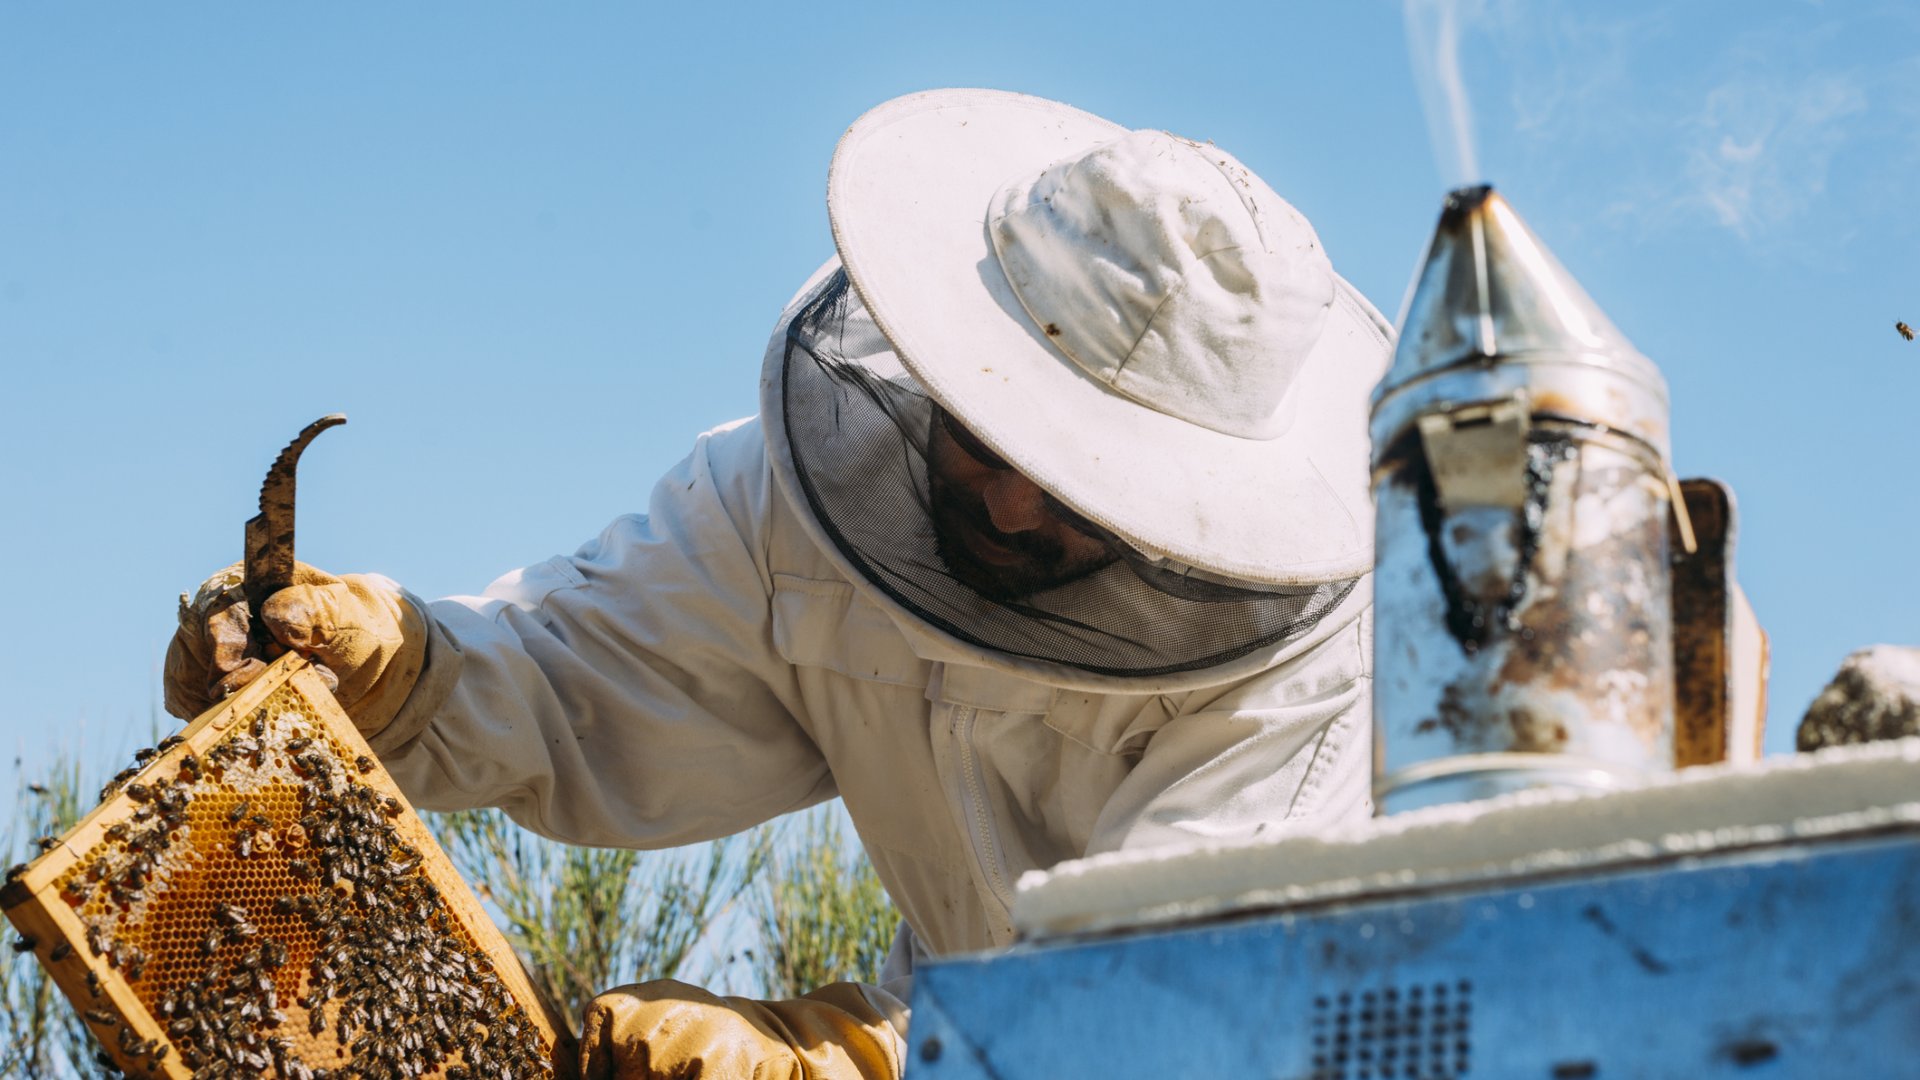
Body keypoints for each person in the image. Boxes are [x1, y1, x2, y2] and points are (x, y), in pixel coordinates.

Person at [165, 88, 1392, 1080]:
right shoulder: (784, 507)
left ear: (1195, 487)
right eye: (992, 434)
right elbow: (585, 680)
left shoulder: (1316, 670)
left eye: (1083, 485)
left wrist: (857, 1058)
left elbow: (1179, 1016)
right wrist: (403, 672)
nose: (1015, 506)